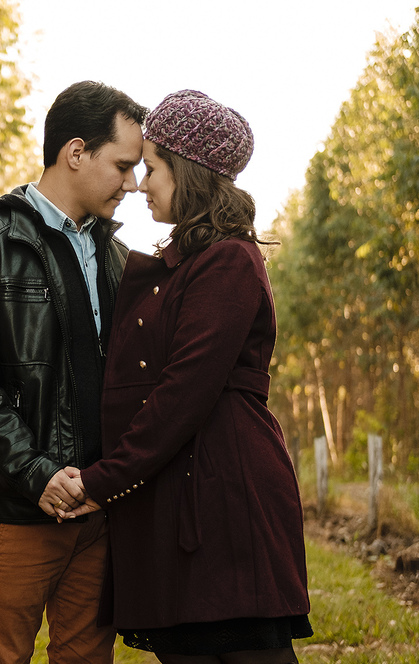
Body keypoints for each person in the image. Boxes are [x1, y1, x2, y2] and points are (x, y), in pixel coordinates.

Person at [59, 90, 312, 664]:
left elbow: (182, 394)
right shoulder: (183, 265)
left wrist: (101, 480)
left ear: (190, 174)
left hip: (225, 499)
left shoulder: (229, 261)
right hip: (183, 494)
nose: (140, 184)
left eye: (152, 168)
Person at [0, 80, 146, 664]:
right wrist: (37, 474)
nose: (132, 184)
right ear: (76, 153)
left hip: (98, 512)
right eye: (123, 166)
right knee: (3, 656)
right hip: (14, 512)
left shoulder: (118, 256)